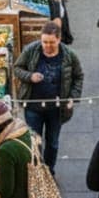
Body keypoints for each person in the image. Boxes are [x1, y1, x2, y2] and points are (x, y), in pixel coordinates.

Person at [13, 21, 84, 173]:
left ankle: (49, 169)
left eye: (51, 42)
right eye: (44, 41)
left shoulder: (69, 55)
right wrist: (30, 76)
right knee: (34, 142)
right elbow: (17, 68)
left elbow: (78, 76)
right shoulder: (31, 50)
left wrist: (72, 97)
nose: (47, 45)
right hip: (33, 106)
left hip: (57, 109)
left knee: (52, 143)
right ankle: (37, 170)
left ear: (59, 39)